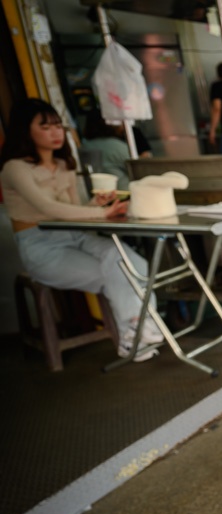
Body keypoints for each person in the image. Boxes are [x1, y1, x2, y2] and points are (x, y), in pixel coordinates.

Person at [1, 99, 162, 361]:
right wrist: (102, 213)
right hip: (41, 246)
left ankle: (134, 334)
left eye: (58, 126)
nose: (56, 133)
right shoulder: (14, 168)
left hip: (77, 236)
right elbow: (48, 208)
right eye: (45, 127)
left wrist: (93, 204)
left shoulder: (65, 164)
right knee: (118, 272)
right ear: (24, 131)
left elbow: (72, 210)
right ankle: (139, 331)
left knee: (135, 263)